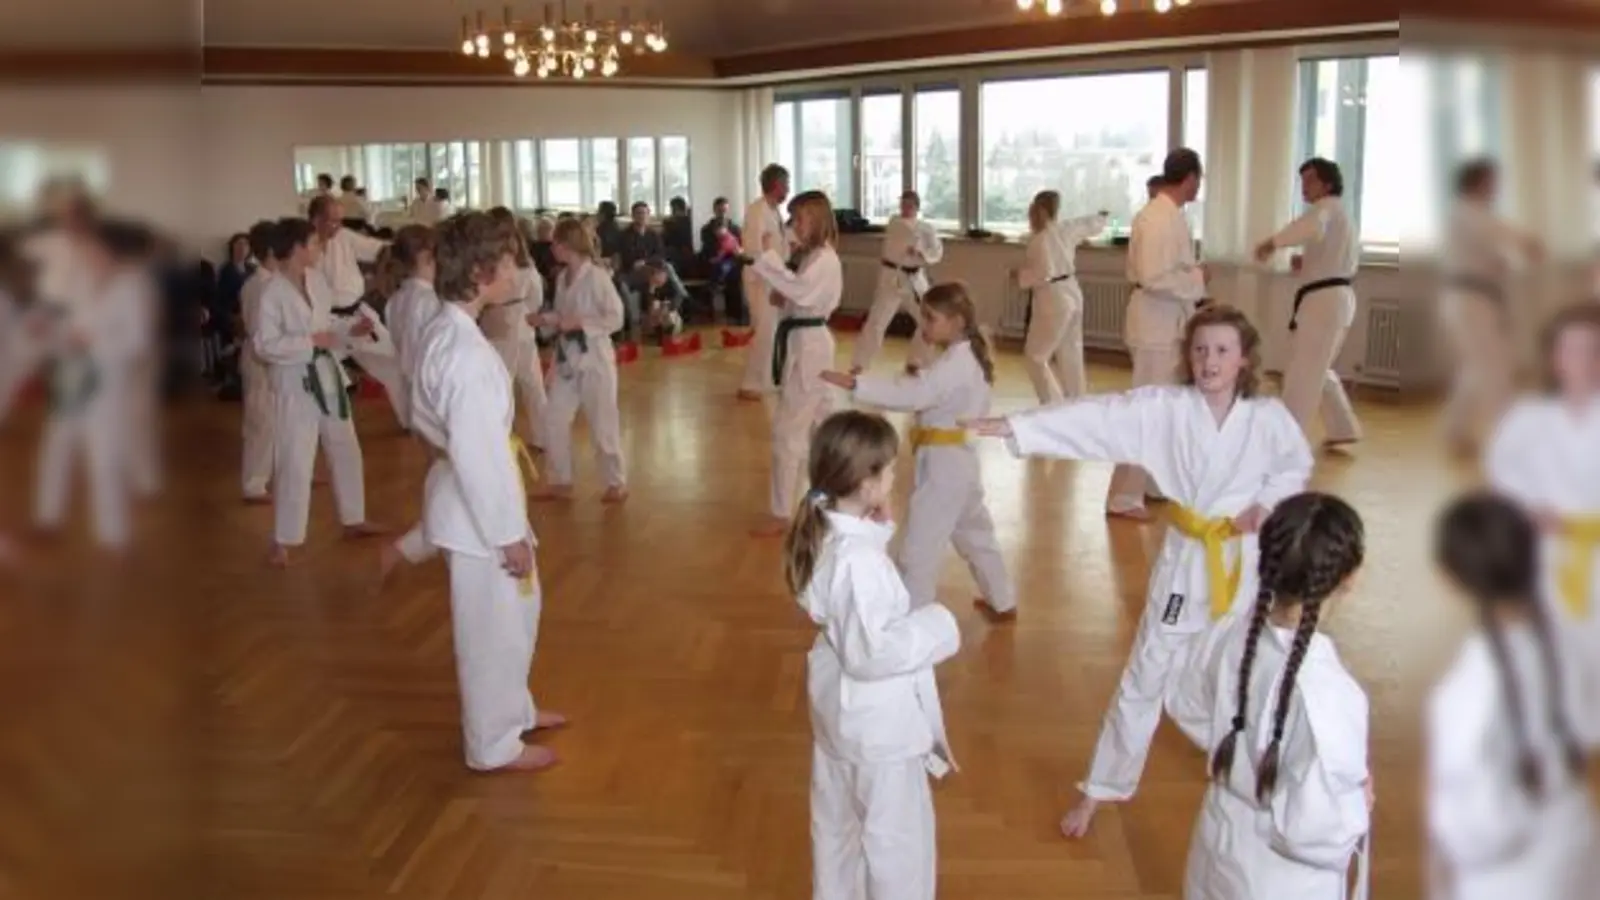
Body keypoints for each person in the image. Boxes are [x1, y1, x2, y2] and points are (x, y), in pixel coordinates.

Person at [965, 304, 1313, 838]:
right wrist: (1018, 427)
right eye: (1199, 350)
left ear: (1244, 360)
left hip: (1244, 566)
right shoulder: (1165, 410)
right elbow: (1097, 418)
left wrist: (1267, 503)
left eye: (1222, 350)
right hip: (1187, 564)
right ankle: (1100, 788)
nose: (1209, 361)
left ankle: (1260, 775)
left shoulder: (1267, 418)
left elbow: (1295, 464)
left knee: (1243, 673)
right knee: (1146, 675)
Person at [784, 410, 961, 900]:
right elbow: (871, 651)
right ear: (864, 483)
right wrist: (937, 626)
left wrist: (875, 528)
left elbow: (848, 613)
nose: (893, 478)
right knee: (896, 847)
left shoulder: (828, 533)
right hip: (878, 731)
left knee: (838, 833)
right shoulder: (856, 560)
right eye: (887, 471)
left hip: (842, 721)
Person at [410, 211, 563, 772]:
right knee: (490, 631)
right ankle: (492, 745)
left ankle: (513, 710)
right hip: (479, 514)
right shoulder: (465, 355)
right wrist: (506, 536)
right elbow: (476, 453)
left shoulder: (448, 327)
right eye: (508, 262)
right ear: (479, 273)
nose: (518, 271)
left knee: (517, 616)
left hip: (479, 497)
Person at [1165, 492, 1372, 900]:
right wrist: (1355, 805)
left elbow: (1185, 702)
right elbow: (1317, 830)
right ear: (1349, 576)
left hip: (1219, 840)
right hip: (1286, 880)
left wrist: (1243, 757)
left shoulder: (1229, 635)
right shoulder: (1331, 694)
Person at [1427, 492, 1598, 900]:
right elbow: (1588, 727)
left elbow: (1463, 826)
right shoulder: (1570, 643)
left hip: (1497, 873)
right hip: (1571, 836)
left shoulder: (1465, 692)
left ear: (1449, 578)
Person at [823, 282, 1015, 619]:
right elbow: (934, 389)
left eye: (931, 319)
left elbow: (917, 397)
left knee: (919, 550)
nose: (923, 326)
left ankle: (909, 621)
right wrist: (922, 376)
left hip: (946, 468)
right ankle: (1003, 600)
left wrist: (858, 385)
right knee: (974, 533)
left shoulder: (958, 362)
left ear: (956, 321)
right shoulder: (965, 353)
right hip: (960, 463)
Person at [1484, 303, 1600, 720]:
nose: (1580, 361)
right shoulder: (1528, 419)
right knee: (1551, 635)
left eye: (1591, 350)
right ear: (1553, 358)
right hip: (1547, 545)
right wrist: (1530, 507)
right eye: (1569, 350)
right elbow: (1502, 470)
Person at [254, 217, 384, 568]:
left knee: (345, 446)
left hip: (326, 374)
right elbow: (264, 345)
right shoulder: (272, 292)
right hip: (295, 382)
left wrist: (351, 329)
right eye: (313, 243)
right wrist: (308, 342)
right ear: (296, 248)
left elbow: (327, 327)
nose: (318, 248)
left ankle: (354, 517)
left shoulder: (316, 280)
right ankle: (283, 538)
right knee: (295, 457)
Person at [31, 219, 154, 552]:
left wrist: (94, 343)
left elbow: (136, 341)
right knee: (56, 447)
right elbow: (62, 329)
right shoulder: (77, 284)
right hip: (70, 377)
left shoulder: (131, 287)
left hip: (106, 381)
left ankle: (112, 533)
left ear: (109, 251)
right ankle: (47, 517)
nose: (86, 255)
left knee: (103, 455)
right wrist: (54, 336)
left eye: (92, 249)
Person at [1110, 147, 1210, 521]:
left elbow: (1170, 270)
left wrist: (1194, 277)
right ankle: (1123, 495)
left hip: (1167, 322)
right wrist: (1197, 279)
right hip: (1155, 323)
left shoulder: (1170, 216)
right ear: (1190, 178)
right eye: (1199, 179)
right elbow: (1153, 276)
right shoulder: (1156, 219)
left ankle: (1151, 484)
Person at [747, 191, 841, 537]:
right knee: (822, 424)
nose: (793, 224)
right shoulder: (812, 256)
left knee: (788, 429)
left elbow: (802, 293)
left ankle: (780, 511)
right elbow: (797, 297)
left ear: (816, 220)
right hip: (806, 343)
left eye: (799, 218)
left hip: (810, 347)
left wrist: (769, 260)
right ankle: (841, 493)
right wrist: (782, 295)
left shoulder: (824, 259)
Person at [1253, 157, 1363, 450]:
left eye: (1310, 180)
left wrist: (1272, 242)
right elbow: (1333, 253)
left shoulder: (1325, 209)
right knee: (1319, 367)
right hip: (1335, 298)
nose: (1304, 186)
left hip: (1324, 303)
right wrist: (1310, 261)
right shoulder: (1342, 214)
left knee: (1303, 373)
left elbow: (1310, 226)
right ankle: (1343, 428)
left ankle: (1285, 441)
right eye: (1302, 180)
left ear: (1327, 183)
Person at [1438, 158, 1543, 456]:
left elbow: (1490, 253)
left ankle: (1456, 432)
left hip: (1475, 299)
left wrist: (1507, 260)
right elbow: (1500, 233)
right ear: (1478, 182)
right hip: (1470, 300)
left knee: (1477, 367)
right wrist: (1527, 243)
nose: (1496, 188)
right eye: (1492, 181)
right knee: (1494, 369)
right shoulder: (1468, 212)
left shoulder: (1470, 215)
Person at [533, 218, 628, 504]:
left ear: (566, 245)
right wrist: (546, 320)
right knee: (554, 418)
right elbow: (564, 317)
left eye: (555, 245)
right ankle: (560, 479)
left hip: (595, 358)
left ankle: (616, 481)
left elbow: (616, 318)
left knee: (602, 422)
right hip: (567, 359)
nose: (552, 249)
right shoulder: (562, 279)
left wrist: (581, 323)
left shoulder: (597, 277)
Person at [1017, 190, 1109, 404]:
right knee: (1071, 352)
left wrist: (1020, 276)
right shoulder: (1066, 229)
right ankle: (1077, 402)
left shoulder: (1039, 240)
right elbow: (1090, 224)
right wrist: (1102, 216)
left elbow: (1042, 273)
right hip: (1072, 292)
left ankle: (1053, 404)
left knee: (1035, 356)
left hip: (1053, 298)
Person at [851, 191, 944, 373]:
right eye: (903, 204)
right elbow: (902, 234)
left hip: (915, 279)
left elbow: (937, 252)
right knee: (877, 321)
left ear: (917, 207)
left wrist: (921, 252)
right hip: (892, 277)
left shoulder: (926, 228)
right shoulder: (895, 223)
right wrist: (916, 246)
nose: (906, 208)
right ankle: (859, 364)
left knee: (926, 320)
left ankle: (917, 361)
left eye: (910, 205)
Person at [481, 208, 549, 451]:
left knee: (502, 383)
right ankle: (543, 437)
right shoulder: (526, 264)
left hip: (498, 322)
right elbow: (536, 298)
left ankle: (503, 439)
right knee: (532, 384)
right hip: (523, 321)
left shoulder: (490, 259)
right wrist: (523, 312)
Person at [737, 164, 791, 401]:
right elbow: (754, 250)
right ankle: (750, 383)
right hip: (760, 278)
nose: (788, 190)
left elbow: (777, 244)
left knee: (772, 331)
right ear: (777, 185)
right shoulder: (757, 210)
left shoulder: (774, 211)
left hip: (774, 275)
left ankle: (766, 380)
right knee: (764, 330)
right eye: (786, 185)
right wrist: (773, 280)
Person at [239, 220, 280, 504]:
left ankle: (276, 472)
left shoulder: (270, 283)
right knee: (261, 422)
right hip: (260, 359)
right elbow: (258, 330)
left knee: (276, 421)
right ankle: (254, 484)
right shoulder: (260, 286)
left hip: (271, 358)